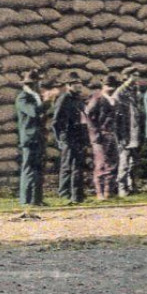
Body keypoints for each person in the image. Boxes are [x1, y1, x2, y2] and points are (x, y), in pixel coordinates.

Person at [51, 73, 88, 203]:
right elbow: (55, 122)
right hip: (68, 136)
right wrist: (60, 139)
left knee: (77, 166)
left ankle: (77, 195)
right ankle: (65, 194)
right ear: (68, 85)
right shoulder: (64, 99)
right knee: (68, 166)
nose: (78, 86)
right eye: (75, 84)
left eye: (79, 83)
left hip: (79, 136)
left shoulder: (78, 99)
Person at [83, 75, 121, 201]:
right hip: (101, 136)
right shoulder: (97, 99)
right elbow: (89, 117)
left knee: (113, 163)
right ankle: (99, 193)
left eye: (113, 86)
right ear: (103, 86)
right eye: (108, 86)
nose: (110, 88)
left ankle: (108, 192)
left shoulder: (113, 100)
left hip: (111, 134)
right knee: (101, 164)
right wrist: (95, 135)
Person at [14, 67, 47, 206]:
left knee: (38, 168)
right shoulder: (23, 97)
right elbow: (33, 112)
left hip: (38, 136)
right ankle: (26, 200)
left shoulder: (35, 96)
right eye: (37, 82)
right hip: (29, 137)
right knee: (28, 169)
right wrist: (47, 102)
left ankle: (36, 200)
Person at [113, 68, 143, 197]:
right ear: (126, 77)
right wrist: (120, 135)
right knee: (124, 161)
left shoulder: (135, 91)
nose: (136, 78)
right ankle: (122, 187)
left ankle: (132, 185)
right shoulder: (120, 92)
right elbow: (116, 117)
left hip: (135, 130)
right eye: (133, 76)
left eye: (137, 76)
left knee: (134, 161)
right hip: (125, 131)